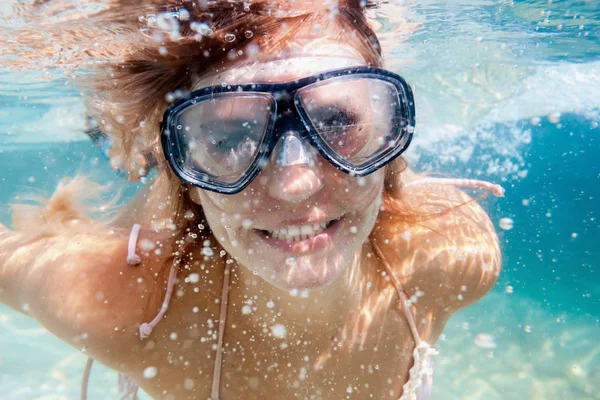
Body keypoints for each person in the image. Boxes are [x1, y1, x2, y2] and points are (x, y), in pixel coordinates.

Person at [0, 1, 503, 399]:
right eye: (228, 135)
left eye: (338, 123)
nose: (295, 185)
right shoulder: (121, 302)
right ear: (188, 180)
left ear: (389, 136)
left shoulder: (448, 252)